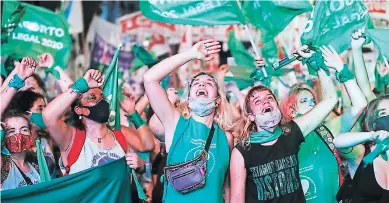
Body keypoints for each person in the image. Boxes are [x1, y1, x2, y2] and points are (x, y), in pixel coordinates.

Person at [229, 46, 339, 203]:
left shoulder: (291, 133)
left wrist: (317, 65)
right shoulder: (241, 151)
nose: (265, 101)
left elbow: (330, 101)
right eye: (257, 101)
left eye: (269, 98)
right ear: (251, 116)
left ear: (277, 105)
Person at [143, 39, 234, 203]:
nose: (202, 84)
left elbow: (226, 186)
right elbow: (149, 78)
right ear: (189, 98)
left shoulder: (226, 138)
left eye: (209, 83)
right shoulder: (175, 124)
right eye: (196, 83)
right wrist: (191, 54)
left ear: (218, 100)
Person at [279, 45, 367, 202]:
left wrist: (339, 69)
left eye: (313, 101)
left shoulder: (328, 131)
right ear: (291, 111)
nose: (312, 104)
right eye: (304, 101)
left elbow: (360, 104)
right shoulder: (283, 138)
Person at [42, 69, 155, 175]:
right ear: (79, 110)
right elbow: (49, 116)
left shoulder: (119, 135)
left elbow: (148, 145)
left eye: (102, 97)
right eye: (92, 97)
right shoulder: (71, 137)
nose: (100, 101)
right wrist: (82, 84)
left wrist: (133, 113)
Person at [334, 94, 389, 202]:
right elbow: (337, 141)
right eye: (383, 113)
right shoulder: (362, 153)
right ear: (373, 122)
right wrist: (372, 135)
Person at [0, 57, 41, 190]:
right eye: (11, 131)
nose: (18, 135)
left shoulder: (37, 166)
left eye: (24, 129)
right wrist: (19, 77)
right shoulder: (3, 165)